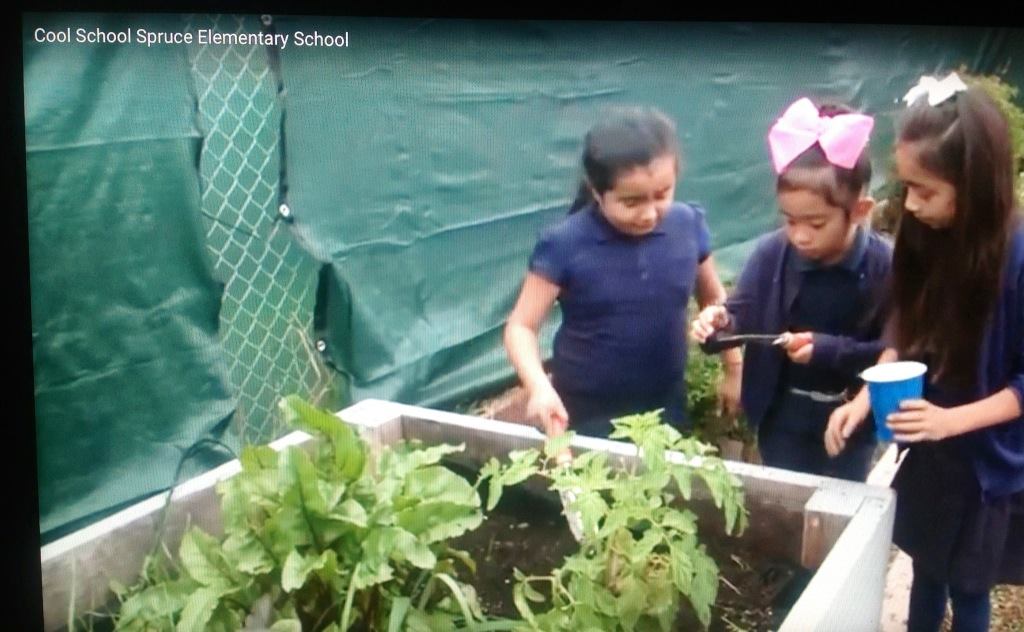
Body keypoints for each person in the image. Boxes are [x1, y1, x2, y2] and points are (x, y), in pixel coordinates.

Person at [825, 72, 1024, 632]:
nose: (909, 206)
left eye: (925, 191)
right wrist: (865, 398)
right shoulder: (931, 240)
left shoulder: (1017, 259)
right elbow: (908, 329)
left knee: (970, 586)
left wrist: (949, 421)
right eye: (906, 187)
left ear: (975, 184)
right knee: (926, 568)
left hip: (988, 461)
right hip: (930, 445)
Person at [504, 106, 739, 439]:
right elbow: (521, 327)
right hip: (583, 414)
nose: (648, 214)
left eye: (662, 195)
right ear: (598, 193)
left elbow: (714, 299)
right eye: (631, 202)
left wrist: (733, 366)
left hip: (665, 406)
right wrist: (540, 388)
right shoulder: (566, 243)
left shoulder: (688, 226)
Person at [691, 97, 891, 480]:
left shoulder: (885, 268)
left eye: (815, 224)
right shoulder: (772, 253)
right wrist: (716, 323)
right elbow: (739, 315)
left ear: (861, 211)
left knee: (840, 507)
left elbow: (895, 351)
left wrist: (828, 350)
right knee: (786, 504)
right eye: (789, 220)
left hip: (849, 420)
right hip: (780, 416)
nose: (799, 235)